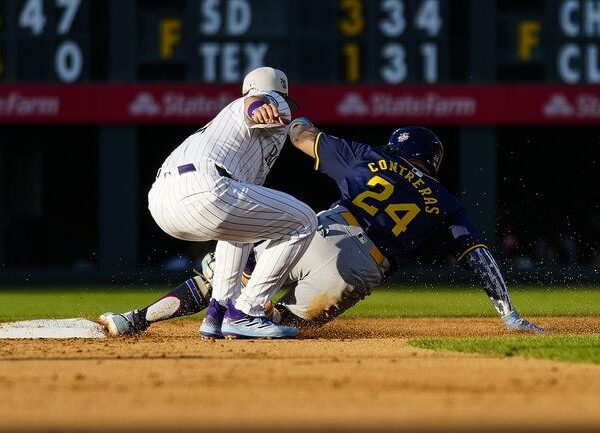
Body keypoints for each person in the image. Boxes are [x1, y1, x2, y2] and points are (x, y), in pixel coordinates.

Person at [100, 123, 542, 337]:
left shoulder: (368, 156)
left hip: (320, 232)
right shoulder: (448, 202)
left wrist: (286, 121)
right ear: (433, 161)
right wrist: (509, 313)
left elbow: (303, 135)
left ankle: (136, 319)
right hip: (358, 268)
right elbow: (478, 257)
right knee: (278, 323)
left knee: (224, 277)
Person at [99, 67, 318, 339]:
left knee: (243, 227)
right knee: (305, 220)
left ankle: (219, 312)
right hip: (204, 185)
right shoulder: (267, 100)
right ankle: (249, 312)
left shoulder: (226, 128)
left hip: (162, 200)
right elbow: (256, 102)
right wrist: (261, 104)